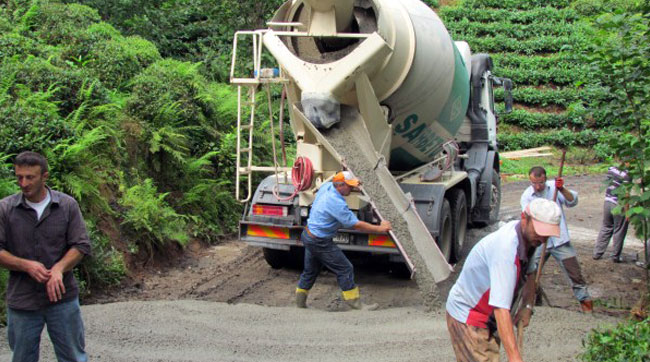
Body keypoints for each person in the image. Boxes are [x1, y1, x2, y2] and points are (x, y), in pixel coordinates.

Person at [0, 151, 91, 362]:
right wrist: (25, 265)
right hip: (22, 299)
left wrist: (59, 268)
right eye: (19, 177)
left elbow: (81, 244)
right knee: (22, 358)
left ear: (44, 176)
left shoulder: (67, 205)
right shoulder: (5, 209)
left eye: (30, 177)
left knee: (73, 357)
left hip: (62, 297)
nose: (23, 183)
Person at [446, 198, 562, 362]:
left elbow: (531, 272)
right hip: (470, 315)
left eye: (547, 234)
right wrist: (514, 357)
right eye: (539, 231)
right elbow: (501, 309)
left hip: (488, 318)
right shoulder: (506, 250)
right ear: (524, 218)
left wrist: (527, 306)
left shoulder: (531, 240)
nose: (543, 239)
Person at [295, 171, 391, 310]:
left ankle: (299, 304)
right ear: (339, 186)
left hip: (309, 235)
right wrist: (380, 229)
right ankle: (355, 303)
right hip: (319, 241)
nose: (351, 189)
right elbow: (356, 225)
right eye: (349, 186)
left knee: (310, 271)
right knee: (345, 268)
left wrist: (357, 184)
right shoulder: (336, 203)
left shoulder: (327, 187)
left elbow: (342, 183)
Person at [520, 166, 593, 312]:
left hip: (559, 240)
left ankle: (586, 305)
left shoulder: (555, 187)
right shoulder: (527, 196)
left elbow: (572, 201)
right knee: (529, 272)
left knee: (574, 273)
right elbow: (526, 221)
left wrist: (562, 189)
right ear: (530, 180)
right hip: (539, 242)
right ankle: (533, 302)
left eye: (541, 182)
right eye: (534, 183)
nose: (538, 186)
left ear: (545, 179)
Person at [593, 166, 631, 263]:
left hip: (607, 202)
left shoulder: (611, 169)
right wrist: (627, 211)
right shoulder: (627, 175)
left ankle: (597, 253)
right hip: (619, 205)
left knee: (606, 227)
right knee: (620, 229)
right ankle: (615, 256)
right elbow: (626, 194)